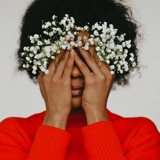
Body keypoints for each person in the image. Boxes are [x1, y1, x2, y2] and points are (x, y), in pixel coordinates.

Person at [0, 0, 160, 159]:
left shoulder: (140, 134)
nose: (75, 72)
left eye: (86, 59)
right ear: (39, 63)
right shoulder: (12, 133)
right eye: (62, 59)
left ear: (112, 65)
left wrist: (96, 114)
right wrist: (55, 116)